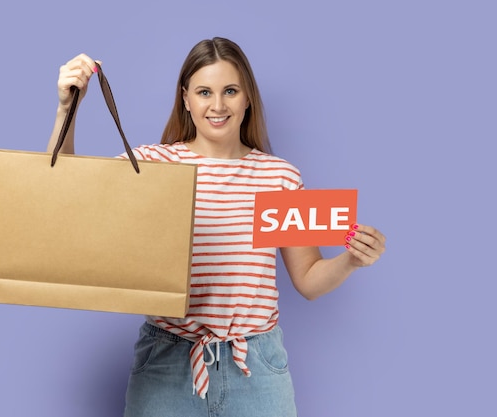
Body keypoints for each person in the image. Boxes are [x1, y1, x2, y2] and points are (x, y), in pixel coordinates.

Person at [47, 37, 386, 417]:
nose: (218, 105)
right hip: (168, 362)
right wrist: (67, 108)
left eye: (230, 91)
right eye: (204, 91)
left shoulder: (279, 177)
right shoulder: (153, 166)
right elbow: (65, 198)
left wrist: (350, 261)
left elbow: (307, 279)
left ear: (247, 99)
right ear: (185, 98)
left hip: (256, 368)